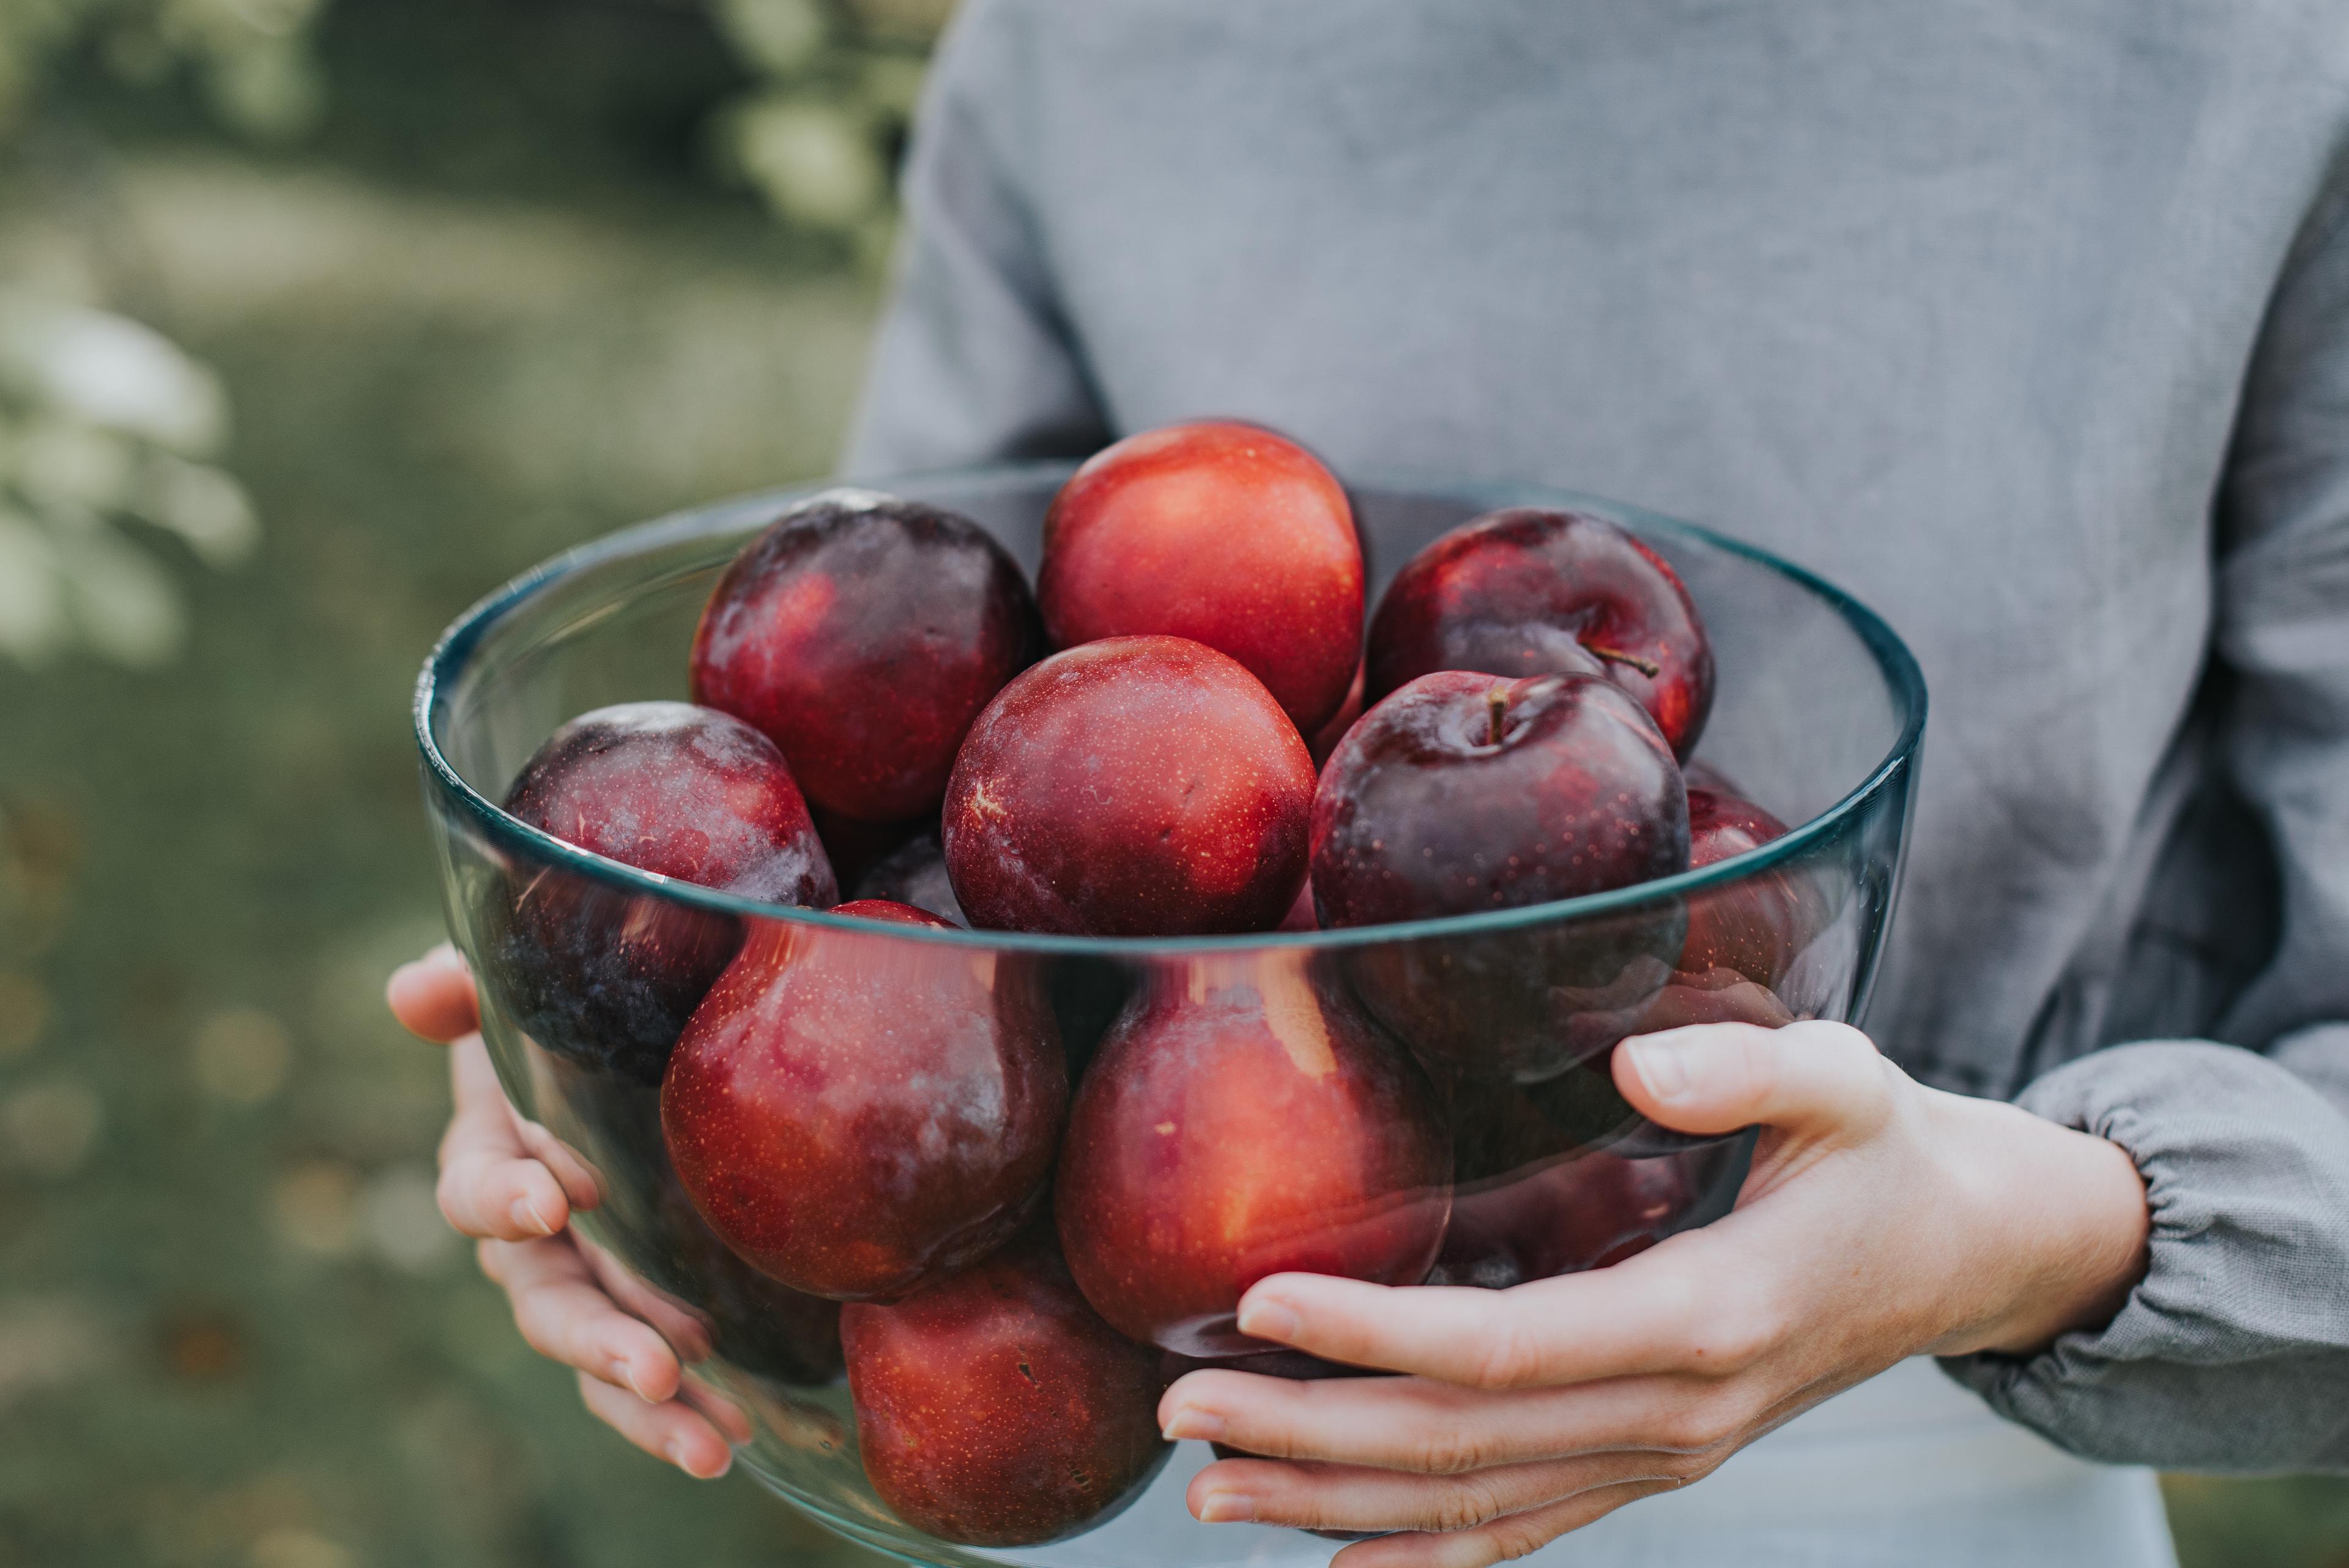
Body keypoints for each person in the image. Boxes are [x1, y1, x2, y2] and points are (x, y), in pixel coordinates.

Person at [388, 4, 2349, 1563]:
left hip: (1902, 1451)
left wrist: (2030, 1230)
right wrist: (623, 1069)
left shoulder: (2257, 52)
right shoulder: (1097, 33)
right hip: (1157, 1433)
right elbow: (898, 726)